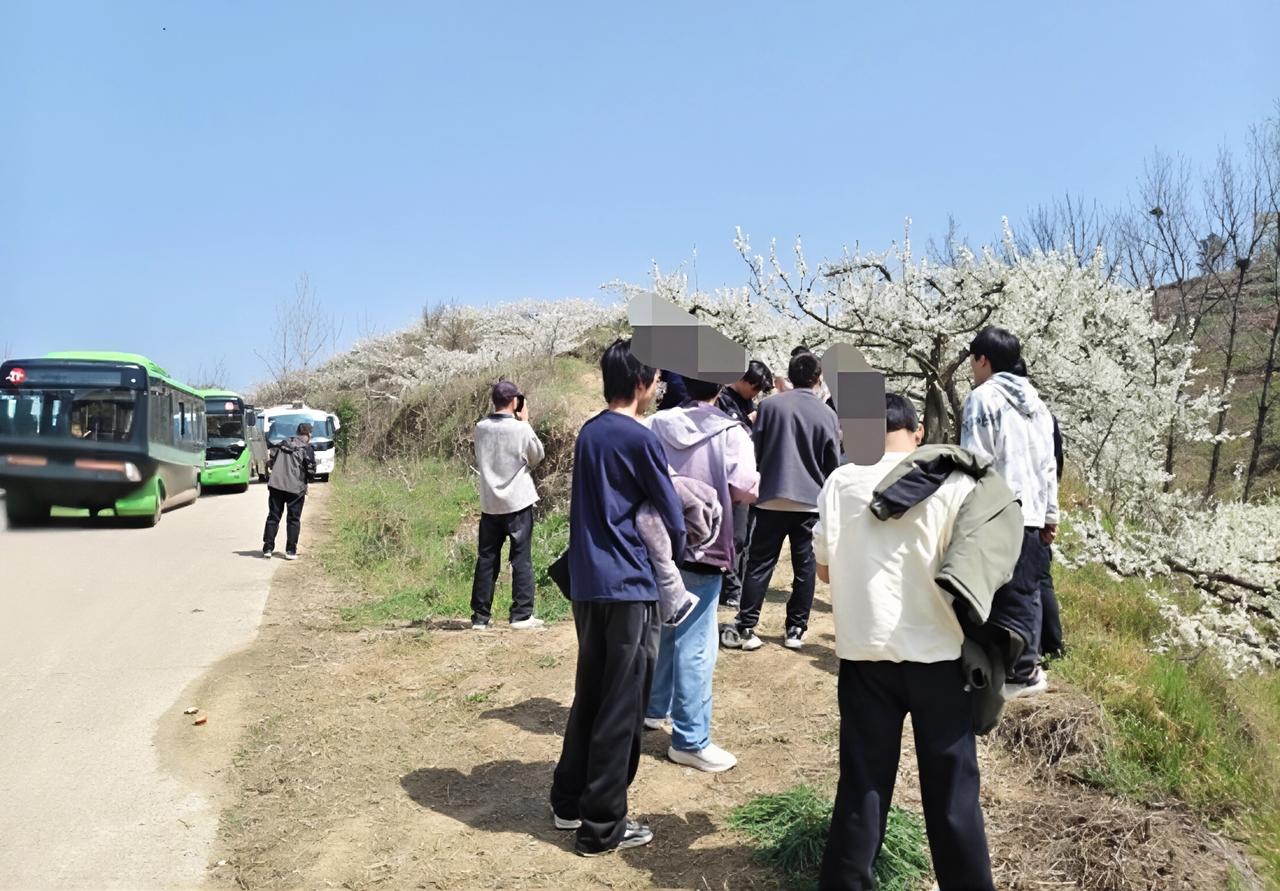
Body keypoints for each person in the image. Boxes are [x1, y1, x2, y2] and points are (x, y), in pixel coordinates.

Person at [814, 394, 1015, 891]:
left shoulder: (840, 481)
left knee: (863, 785)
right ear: (918, 431)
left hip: (865, 655)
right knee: (953, 795)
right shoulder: (958, 483)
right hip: (939, 657)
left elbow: (822, 570)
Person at [549, 339, 685, 858]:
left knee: (591, 692)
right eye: (655, 380)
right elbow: (671, 513)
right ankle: (603, 824)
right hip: (629, 584)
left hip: (588, 583)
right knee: (621, 706)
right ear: (641, 383)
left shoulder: (589, 433)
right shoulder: (638, 437)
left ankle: (568, 800)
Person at [644, 376, 760, 772]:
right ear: (721, 385)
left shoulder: (657, 424)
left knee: (668, 627)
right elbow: (745, 488)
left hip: (659, 542)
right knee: (696, 643)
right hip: (704, 544)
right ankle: (690, 739)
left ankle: (652, 707)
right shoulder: (732, 433)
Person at [961, 327, 1059, 698]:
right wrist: (1051, 515)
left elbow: (976, 460)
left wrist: (969, 511)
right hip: (1032, 510)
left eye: (973, 360)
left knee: (993, 591)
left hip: (998, 508)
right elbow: (1048, 465)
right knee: (1027, 591)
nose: (972, 367)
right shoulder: (1039, 405)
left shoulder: (983, 398)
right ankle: (1027, 666)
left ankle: (1013, 672)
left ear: (983, 360)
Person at [721, 351, 840, 652]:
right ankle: (796, 629)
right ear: (818, 377)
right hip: (810, 503)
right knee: (805, 569)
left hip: (770, 497)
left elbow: (754, 451)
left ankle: (747, 625)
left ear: (789, 374)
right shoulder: (827, 414)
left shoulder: (769, 406)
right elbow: (831, 463)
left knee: (760, 564)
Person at [470, 380, 547, 631]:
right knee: (521, 558)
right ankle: (521, 614)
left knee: (486, 558)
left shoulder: (480, 428)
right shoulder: (520, 429)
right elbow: (537, 456)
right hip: (517, 501)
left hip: (490, 503)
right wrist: (525, 422)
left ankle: (480, 617)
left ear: (494, 400)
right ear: (515, 401)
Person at [1011, 358, 1066, 662]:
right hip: (1039, 506)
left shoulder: (1011, 414)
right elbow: (1055, 466)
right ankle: (1051, 647)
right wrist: (1050, 513)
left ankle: (1037, 650)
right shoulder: (1044, 414)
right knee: (1039, 579)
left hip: (1019, 510)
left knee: (1030, 582)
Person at [715, 360, 773, 610]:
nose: (756, 395)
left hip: (747, 475)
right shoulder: (723, 399)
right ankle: (730, 588)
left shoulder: (748, 402)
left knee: (745, 537)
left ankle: (735, 586)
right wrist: (749, 422)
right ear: (744, 381)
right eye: (756, 389)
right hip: (727, 478)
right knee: (734, 536)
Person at [261, 422, 316, 560]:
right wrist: (308, 480)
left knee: (273, 517)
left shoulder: (282, 444)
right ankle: (290, 551)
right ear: (308, 434)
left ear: (298, 432)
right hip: (295, 489)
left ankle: (268, 548)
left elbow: (270, 462)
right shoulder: (307, 448)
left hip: (276, 486)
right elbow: (311, 470)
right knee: (293, 519)